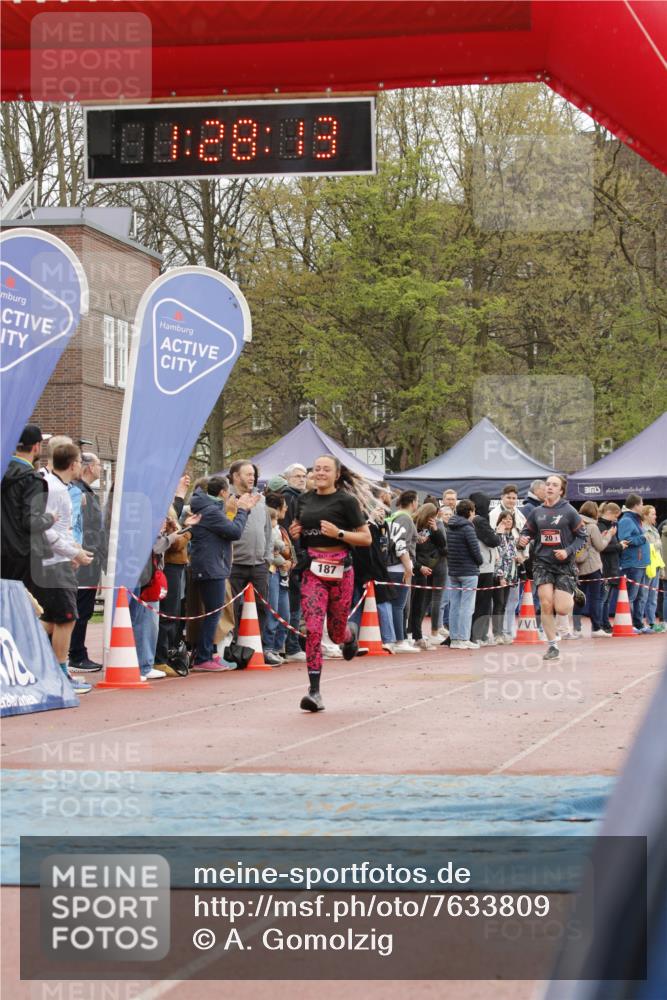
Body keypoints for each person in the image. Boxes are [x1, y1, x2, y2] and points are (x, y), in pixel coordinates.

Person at [289, 455, 371, 712]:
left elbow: (366, 538)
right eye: (318, 469)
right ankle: (314, 692)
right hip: (313, 569)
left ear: (337, 475)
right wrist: (296, 533)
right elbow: (299, 529)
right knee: (313, 629)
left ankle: (349, 634)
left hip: (341, 568)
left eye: (327, 469)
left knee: (335, 634)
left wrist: (340, 534)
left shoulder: (346, 501)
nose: (321, 472)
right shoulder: (302, 499)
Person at [33, 442, 95, 693]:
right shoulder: (55, 489)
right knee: (66, 619)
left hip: (60, 560)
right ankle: (60, 672)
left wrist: (75, 551)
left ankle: (30, 651)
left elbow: (63, 529)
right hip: (53, 563)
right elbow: (46, 529)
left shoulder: (63, 488)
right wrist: (73, 552)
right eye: (80, 460)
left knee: (51, 618)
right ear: (73, 464)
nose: (83, 465)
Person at [189, 475, 256, 669]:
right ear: (223, 492)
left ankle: (207, 653)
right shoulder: (210, 511)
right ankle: (203, 657)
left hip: (211, 565)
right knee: (213, 613)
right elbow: (234, 531)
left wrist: (244, 510)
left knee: (212, 612)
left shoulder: (207, 508)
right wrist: (242, 510)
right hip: (211, 567)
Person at [517, 474, 586, 660]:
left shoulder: (570, 511)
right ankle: (552, 645)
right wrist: (523, 539)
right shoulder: (536, 512)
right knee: (546, 603)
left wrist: (568, 550)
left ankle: (573, 590)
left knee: (562, 608)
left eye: (554, 485)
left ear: (561, 490)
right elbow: (526, 532)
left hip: (564, 565)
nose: (549, 487)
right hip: (542, 563)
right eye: (547, 484)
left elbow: (582, 537)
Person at [1, 424, 56, 594]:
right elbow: (30, 521)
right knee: (23, 607)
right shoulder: (32, 479)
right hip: (24, 554)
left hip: (3, 551)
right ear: (36, 447)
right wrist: (50, 518)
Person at [228, 460, 274, 655]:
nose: (252, 478)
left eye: (253, 474)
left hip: (259, 565)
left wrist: (267, 558)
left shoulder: (261, 500)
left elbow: (268, 531)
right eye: (247, 474)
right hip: (234, 564)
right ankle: (233, 649)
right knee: (232, 610)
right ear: (236, 476)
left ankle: (256, 649)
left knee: (262, 607)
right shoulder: (228, 498)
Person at [68, 452, 108, 672]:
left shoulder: (87, 492)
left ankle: (76, 650)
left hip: (91, 555)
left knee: (85, 607)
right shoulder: (78, 492)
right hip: (84, 557)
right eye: (99, 465)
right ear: (89, 467)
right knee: (81, 607)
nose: (101, 469)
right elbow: (77, 524)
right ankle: (75, 653)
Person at [445, 499, 483, 649]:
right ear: (470, 512)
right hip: (468, 571)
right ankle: (464, 638)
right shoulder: (468, 528)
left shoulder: (450, 526)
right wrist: (479, 561)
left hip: (453, 570)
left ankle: (454, 638)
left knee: (454, 605)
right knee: (467, 606)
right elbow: (475, 550)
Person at [572, 501, 613, 638]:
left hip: (578, 567)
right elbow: (600, 546)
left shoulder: (575, 524)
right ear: (594, 512)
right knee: (596, 598)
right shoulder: (592, 527)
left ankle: (577, 628)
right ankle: (596, 628)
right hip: (593, 567)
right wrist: (608, 536)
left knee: (579, 599)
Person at [408, 502, 447, 648]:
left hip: (425, 567)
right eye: (432, 517)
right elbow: (409, 549)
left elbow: (443, 545)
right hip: (413, 566)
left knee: (420, 603)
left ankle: (416, 634)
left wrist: (435, 529)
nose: (433, 519)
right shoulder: (412, 524)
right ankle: (409, 633)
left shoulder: (430, 528)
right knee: (410, 604)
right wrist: (419, 566)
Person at [385, 491, 418, 652]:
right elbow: (400, 544)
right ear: (413, 502)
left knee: (394, 605)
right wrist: (408, 566)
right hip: (399, 567)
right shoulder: (405, 519)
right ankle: (399, 639)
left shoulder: (393, 516)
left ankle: (397, 637)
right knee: (398, 605)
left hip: (392, 566)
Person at [263, 493, 294, 660]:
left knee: (284, 613)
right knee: (272, 611)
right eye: (284, 506)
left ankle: (278, 646)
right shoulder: (269, 527)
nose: (287, 509)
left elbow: (290, 551)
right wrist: (282, 560)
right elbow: (270, 550)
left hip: (283, 575)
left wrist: (289, 562)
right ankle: (268, 647)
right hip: (272, 572)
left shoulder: (281, 529)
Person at [468, 492, 500, 645]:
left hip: (476, 565)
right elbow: (493, 540)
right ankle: (478, 635)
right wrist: (498, 533)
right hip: (484, 566)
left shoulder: (470, 519)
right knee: (483, 603)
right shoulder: (480, 521)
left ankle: (476, 634)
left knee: (475, 603)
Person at [617, 493, 651, 634]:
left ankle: (638, 623)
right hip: (632, 564)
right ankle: (629, 624)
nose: (643, 506)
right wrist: (643, 538)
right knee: (631, 596)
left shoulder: (635, 519)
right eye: (642, 504)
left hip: (641, 563)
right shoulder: (626, 520)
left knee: (641, 596)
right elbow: (625, 540)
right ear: (636, 505)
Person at [492, 511, 520, 643]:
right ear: (500, 520)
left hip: (510, 575)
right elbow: (498, 557)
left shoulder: (512, 537)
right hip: (500, 576)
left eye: (510, 519)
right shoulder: (498, 536)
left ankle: (502, 632)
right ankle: (497, 633)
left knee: (504, 604)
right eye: (505, 519)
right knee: (498, 604)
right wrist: (500, 576)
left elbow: (512, 556)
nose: (508, 521)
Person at [598, 501, 626, 632]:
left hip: (612, 566)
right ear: (609, 513)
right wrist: (619, 546)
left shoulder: (610, 527)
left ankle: (605, 624)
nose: (616, 520)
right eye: (616, 516)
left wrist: (618, 544)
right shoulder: (600, 526)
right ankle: (601, 625)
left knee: (607, 599)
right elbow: (602, 547)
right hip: (606, 567)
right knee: (603, 598)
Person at [639, 505, 665, 632]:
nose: (655, 516)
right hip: (647, 566)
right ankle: (640, 623)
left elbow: (658, 552)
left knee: (653, 596)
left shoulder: (654, 529)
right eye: (652, 514)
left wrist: (662, 569)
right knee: (643, 595)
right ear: (645, 515)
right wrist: (657, 544)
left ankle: (652, 622)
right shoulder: (642, 529)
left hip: (656, 566)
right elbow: (648, 547)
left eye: (655, 514)